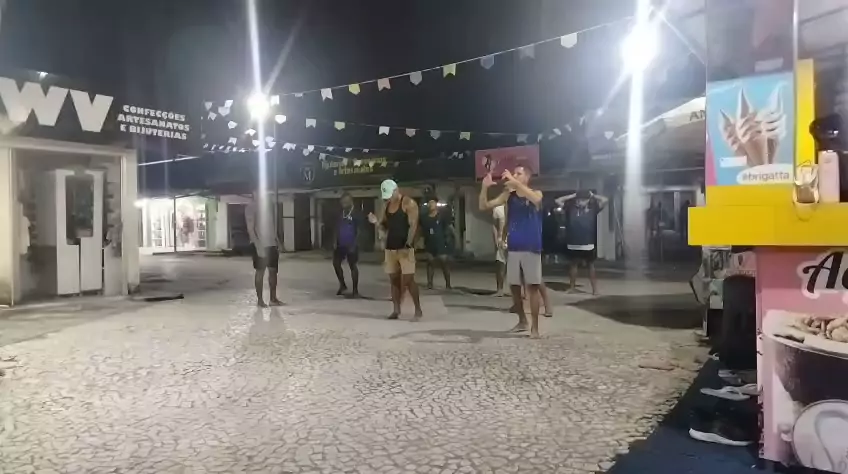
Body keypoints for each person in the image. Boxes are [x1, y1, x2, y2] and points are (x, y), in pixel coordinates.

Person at [479, 166, 544, 338]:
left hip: (531, 247)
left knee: (533, 288)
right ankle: (522, 320)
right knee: (514, 287)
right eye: (513, 173)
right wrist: (484, 187)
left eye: (518, 173)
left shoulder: (536, 193)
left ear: (527, 177)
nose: (514, 176)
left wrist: (513, 181)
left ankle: (535, 327)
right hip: (514, 247)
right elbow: (484, 206)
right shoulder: (509, 196)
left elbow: (536, 199)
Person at [368, 179, 423, 320]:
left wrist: (408, 245)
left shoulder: (408, 203)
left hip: (405, 248)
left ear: (396, 190)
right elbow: (384, 227)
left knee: (409, 280)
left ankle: (418, 310)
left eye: (389, 195)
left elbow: (414, 226)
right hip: (391, 247)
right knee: (394, 280)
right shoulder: (387, 205)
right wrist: (376, 222)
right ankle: (396, 310)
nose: (388, 199)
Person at [556, 189, 608, 295]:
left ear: (588, 200)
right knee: (573, 265)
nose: (581, 202)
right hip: (573, 243)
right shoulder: (570, 208)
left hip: (588, 244)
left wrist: (593, 195)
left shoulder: (593, 208)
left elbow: (605, 200)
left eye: (584, 200)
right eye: (579, 200)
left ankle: (595, 289)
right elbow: (558, 201)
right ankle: (572, 288)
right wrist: (573, 195)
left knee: (591, 266)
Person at [245, 189, 282, 307]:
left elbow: (271, 225)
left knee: (273, 271)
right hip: (260, 244)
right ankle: (260, 300)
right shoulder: (251, 208)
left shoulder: (267, 206)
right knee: (260, 272)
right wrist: (258, 246)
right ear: (254, 193)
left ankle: (273, 299)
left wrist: (276, 240)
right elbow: (250, 229)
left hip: (271, 244)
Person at [420, 195, 452, 290]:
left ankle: (448, 284)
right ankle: (430, 283)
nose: (431, 205)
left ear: (436, 204)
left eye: (433, 203)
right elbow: (422, 230)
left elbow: (447, 228)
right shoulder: (424, 218)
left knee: (444, 263)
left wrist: (448, 241)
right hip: (430, 243)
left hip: (440, 243)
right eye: (429, 203)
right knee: (430, 263)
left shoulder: (441, 216)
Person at [333, 193, 362, 298]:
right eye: (342, 202)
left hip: (351, 244)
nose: (344, 204)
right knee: (336, 263)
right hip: (340, 243)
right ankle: (342, 285)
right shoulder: (340, 213)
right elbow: (337, 227)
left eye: (346, 202)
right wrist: (335, 241)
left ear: (351, 201)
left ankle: (355, 290)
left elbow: (360, 230)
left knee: (352, 265)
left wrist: (355, 243)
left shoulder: (356, 214)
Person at [492, 204, 508, 297]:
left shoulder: (517, 209)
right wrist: (496, 239)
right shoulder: (498, 209)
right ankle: (500, 289)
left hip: (515, 240)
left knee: (519, 267)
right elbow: (494, 225)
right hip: (501, 241)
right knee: (500, 265)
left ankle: (524, 292)